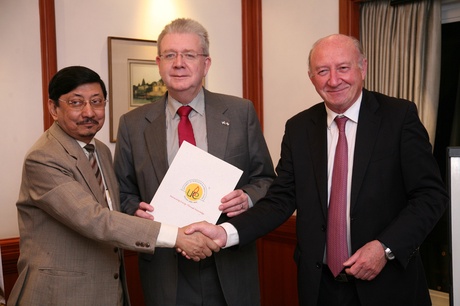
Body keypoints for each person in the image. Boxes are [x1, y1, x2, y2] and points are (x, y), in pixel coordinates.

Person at [186, 34, 449, 306]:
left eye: (343, 68)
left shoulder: (399, 116)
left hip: (388, 286)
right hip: (320, 288)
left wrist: (385, 248)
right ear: (311, 77)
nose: (333, 80)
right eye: (323, 71)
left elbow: (430, 196)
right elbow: (280, 200)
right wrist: (226, 232)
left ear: (363, 68)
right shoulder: (299, 128)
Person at [7, 66, 219, 306]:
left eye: (97, 102)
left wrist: (139, 214)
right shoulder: (44, 158)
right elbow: (94, 219)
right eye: (76, 103)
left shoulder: (101, 151)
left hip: (107, 289)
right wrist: (176, 236)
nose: (89, 112)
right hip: (60, 294)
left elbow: (112, 212)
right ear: (53, 108)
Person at [113, 18, 275, 306]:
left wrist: (248, 198)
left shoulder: (240, 112)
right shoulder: (132, 124)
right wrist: (134, 210)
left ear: (206, 63)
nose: (179, 63)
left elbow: (266, 180)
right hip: (165, 269)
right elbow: (123, 193)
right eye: (170, 55)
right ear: (158, 62)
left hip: (229, 263)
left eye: (189, 55)